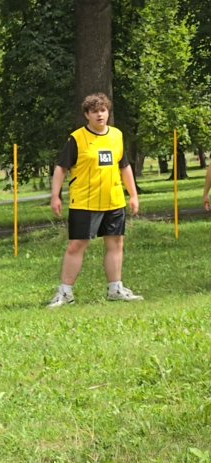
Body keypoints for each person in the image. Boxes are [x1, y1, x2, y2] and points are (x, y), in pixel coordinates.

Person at [47, 93, 143, 307]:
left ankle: (115, 289)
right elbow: (61, 168)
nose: (100, 115)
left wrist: (133, 195)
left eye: (103, 110)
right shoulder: (76, 138)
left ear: (108, 113)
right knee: (76, 245)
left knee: (116, 243)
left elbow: (124, 166)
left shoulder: (117, 135)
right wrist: (55, 196)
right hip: (84, 202)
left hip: (114, 200)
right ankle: (65, 293)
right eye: (94, 111)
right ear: (86, 115)